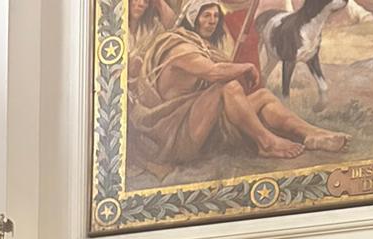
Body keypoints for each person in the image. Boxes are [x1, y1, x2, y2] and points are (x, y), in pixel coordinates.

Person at [129, 0, 349, 166]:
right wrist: (247, 67)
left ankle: (311, 133)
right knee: (228, 87)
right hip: (180, 132)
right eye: (206, 16)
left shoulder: (203, 47)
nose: (212, 21)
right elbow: (214, 72)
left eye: (216, 16)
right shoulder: (178, 45)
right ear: (192, 19)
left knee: (263, 96)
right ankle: (266, 143)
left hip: (205, 123)